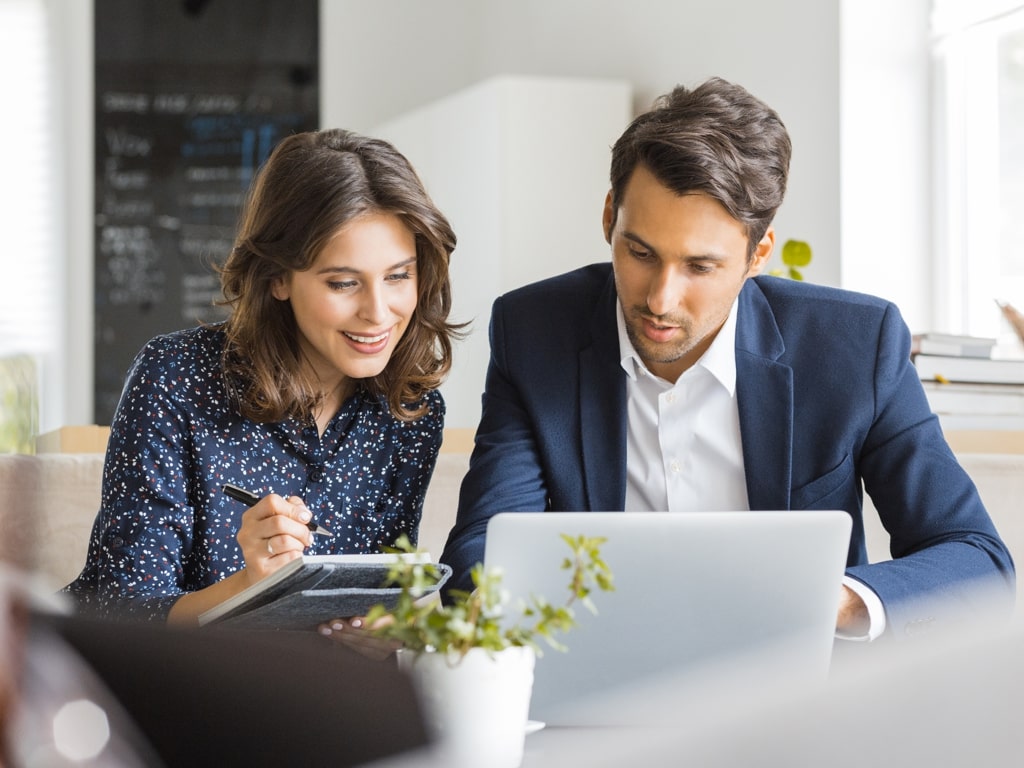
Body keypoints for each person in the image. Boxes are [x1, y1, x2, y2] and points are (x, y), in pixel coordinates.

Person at [440, 77, 1015, 640]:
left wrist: (829, 601)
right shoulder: (535, 329)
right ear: (610, 214)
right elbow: (481, 553)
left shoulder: (856, 345)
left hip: (795, 695)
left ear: (758, 252)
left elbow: (976, 560)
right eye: (639, 252)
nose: (660, 300)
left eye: (700, 266)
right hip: (596, 684)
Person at [65, 129, 462, 625]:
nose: (379, 313)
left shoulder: (411, 412)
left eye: (399, 276)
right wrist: (251, 586)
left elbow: (377, 599)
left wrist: (378, 634)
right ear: (276, 278)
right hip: (170, 687)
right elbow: (118, 613)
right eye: (343, 283)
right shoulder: (174, 378)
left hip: (311, 694)